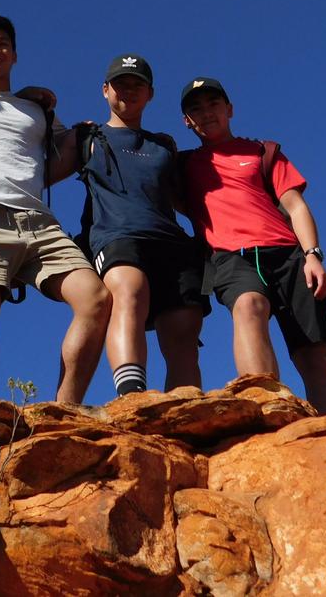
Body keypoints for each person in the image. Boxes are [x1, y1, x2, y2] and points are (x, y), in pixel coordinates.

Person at [0, 15, 111, 404]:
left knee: (95, 298)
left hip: (38, 221)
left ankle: (65, 412)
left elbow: (61, 160)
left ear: (15, 55)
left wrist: (78, 133)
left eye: (3, 44)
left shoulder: (37, 111)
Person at [179, 77, 326, 414]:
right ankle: (267, 407)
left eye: (213, 104)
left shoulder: (263, 151)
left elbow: (295, 206)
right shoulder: (182, 166)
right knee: (248, 306)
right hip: (231, 256)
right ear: (187, 121)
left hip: (289, 255)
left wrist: (313, 255)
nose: (206, 113)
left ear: (229, 109)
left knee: (314, 354)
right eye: (196, 109)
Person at [76, 54, 209, 396]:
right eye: (121, 84)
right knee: (130, 291)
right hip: (117, 236)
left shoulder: (163, 145)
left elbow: (183, 199)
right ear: (105, 90)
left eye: (138, 85)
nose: (129, 91)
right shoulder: (86, 138)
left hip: (171, 242)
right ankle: (132, 397)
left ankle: (184, 409)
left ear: (150, 94)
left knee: (184, 326)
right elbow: (42, 172)